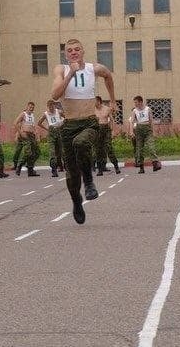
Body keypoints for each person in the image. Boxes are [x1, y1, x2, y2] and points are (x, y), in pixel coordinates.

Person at [51, 38, 115, 225]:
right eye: (69, 50)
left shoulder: (93, 69)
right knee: (71, 176)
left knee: (82, 143)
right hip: (69, 125)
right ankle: (77, 201)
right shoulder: (60, 70)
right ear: (65, 54)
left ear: (83, 51)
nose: (73, 52)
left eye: (77, 49)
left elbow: (108, 76)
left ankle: (88, 182)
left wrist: (112, 99)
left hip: (89, 122)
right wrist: (70, 73)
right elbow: (55, 94)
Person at [129, 96, 162, 174]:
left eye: (136, 102)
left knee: (151, 146)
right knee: (139, 149)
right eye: (134, 102)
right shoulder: (134, 111)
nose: (135, 104)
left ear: (140, 102)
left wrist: (153, 131)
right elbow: (132, 122)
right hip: (139, 130)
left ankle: (155, 163)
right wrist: (131, 132)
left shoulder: (148, 109)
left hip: (147, 129)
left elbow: (151, 121)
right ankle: (141, 167)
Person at [94, 96, 121, 175]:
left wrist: (113, 131)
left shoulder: (107, 109)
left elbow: (112, 120)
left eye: (95, 101)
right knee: (98, 150)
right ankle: (100, 169)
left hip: (106, 129)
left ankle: (116, 167)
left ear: (99, 101)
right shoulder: (93, 110)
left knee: (109, 148)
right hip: (97, 130)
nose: (94, 103)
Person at [37, 99, 64, 177]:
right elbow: (39, 123)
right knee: (52, 152)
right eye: (49, 107)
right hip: (51, 132)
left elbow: (66, 118)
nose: (51, 108)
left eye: (52, 106)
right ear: (47, 107)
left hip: (59, 131)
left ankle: (61, 166)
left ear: (54, 106)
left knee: (60, 151)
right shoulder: (45, 114)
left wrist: (62, 124)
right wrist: (47, 128)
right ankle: (54, 170)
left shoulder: (58, 112)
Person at [13, 101, 41, 177]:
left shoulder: (32, 115)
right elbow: (15, 123)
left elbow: (34, 126)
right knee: (28, 153)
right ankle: (19, 166)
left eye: (32, 108)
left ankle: (30, 169)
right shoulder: (23, 114)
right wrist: (20, 132)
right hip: (25, 135)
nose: (31, 109)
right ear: (27, 107)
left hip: (32, 135)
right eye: (30, 107)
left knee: (37, 152)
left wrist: (37, 135)